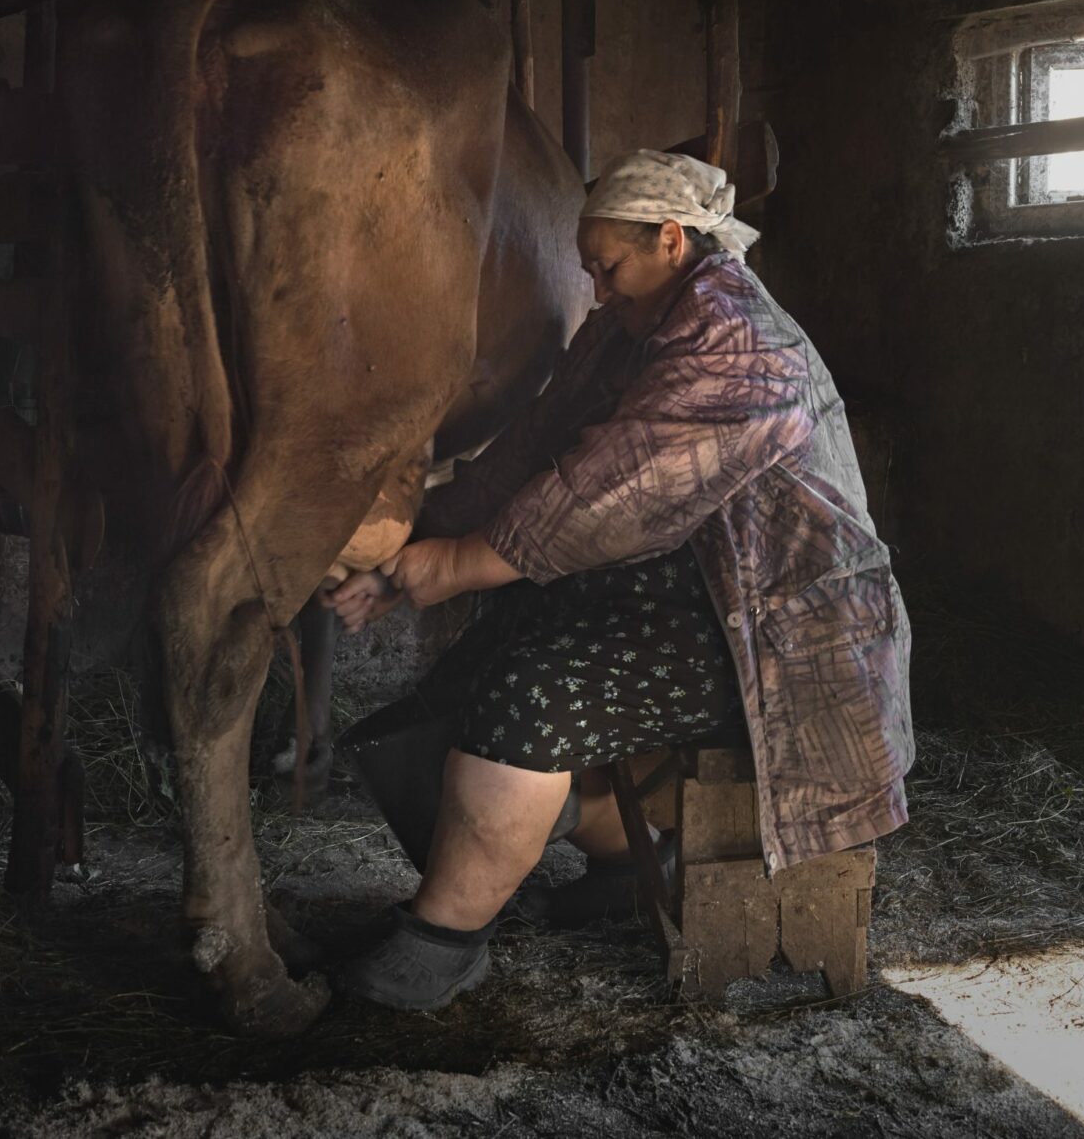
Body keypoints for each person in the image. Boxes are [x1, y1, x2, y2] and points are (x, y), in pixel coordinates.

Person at [324, 149, 915, 1011]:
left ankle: (442, 943)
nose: (596, 289)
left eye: (608, 267)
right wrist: (409, 548)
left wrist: (448, 566)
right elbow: (532, 450)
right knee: (489, 655)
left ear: (671, 241)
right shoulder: (631, 323)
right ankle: (618, 870)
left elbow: (608, 499)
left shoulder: (737, 347)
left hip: (777, 633)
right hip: (685, 591)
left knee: (532, 696)